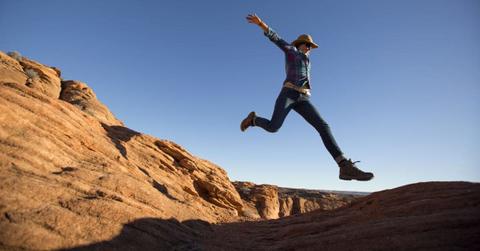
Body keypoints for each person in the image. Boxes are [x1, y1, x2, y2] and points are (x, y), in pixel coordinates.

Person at [241, 14, 374, 181]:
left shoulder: (308, 61)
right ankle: (254, 120)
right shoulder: (291, 52)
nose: (310, 48)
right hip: (288, 94)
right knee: (274, 127)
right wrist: (261, 24)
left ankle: (344, 167)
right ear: (300, 45)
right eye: (307, 45)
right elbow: (276, 38)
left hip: (303, 98)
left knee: (323, 126)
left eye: (311, 46)